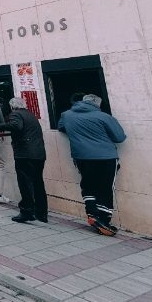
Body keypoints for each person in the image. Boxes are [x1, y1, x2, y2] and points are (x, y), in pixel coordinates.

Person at [58, 94, 126, 236]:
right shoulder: (104, 117)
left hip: (81, 157)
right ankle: (104, 220)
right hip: (106, 157)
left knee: (87, 185)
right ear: (97, 104)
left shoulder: (66, 115)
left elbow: (61, 128)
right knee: (106, 187)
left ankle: (92, 213)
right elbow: (119, 137)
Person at [0, 98, 48, 224]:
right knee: (38, 183)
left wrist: (1, 125)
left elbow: (16, 126)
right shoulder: (30, 114)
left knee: (25, 183)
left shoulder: (16, 114)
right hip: (38, 154)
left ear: (12, 107)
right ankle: (41, 213)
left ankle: (26, 211)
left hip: (25, 154)